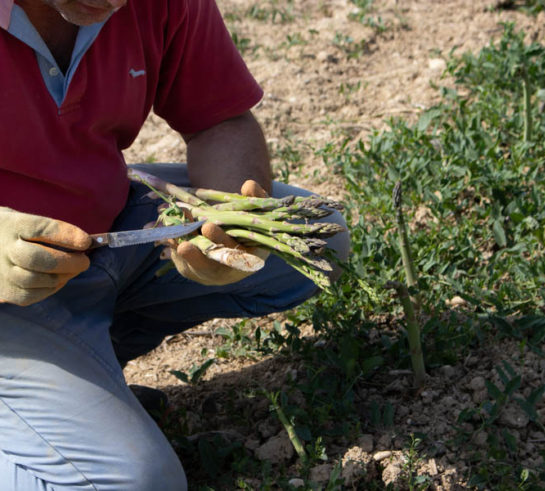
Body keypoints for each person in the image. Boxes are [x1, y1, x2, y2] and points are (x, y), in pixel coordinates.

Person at [0, 0, 349, 489]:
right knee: (137, 482)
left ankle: (85, 374)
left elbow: (218, 123)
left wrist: (230, 236)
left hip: (102, 233)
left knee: (309, 239)